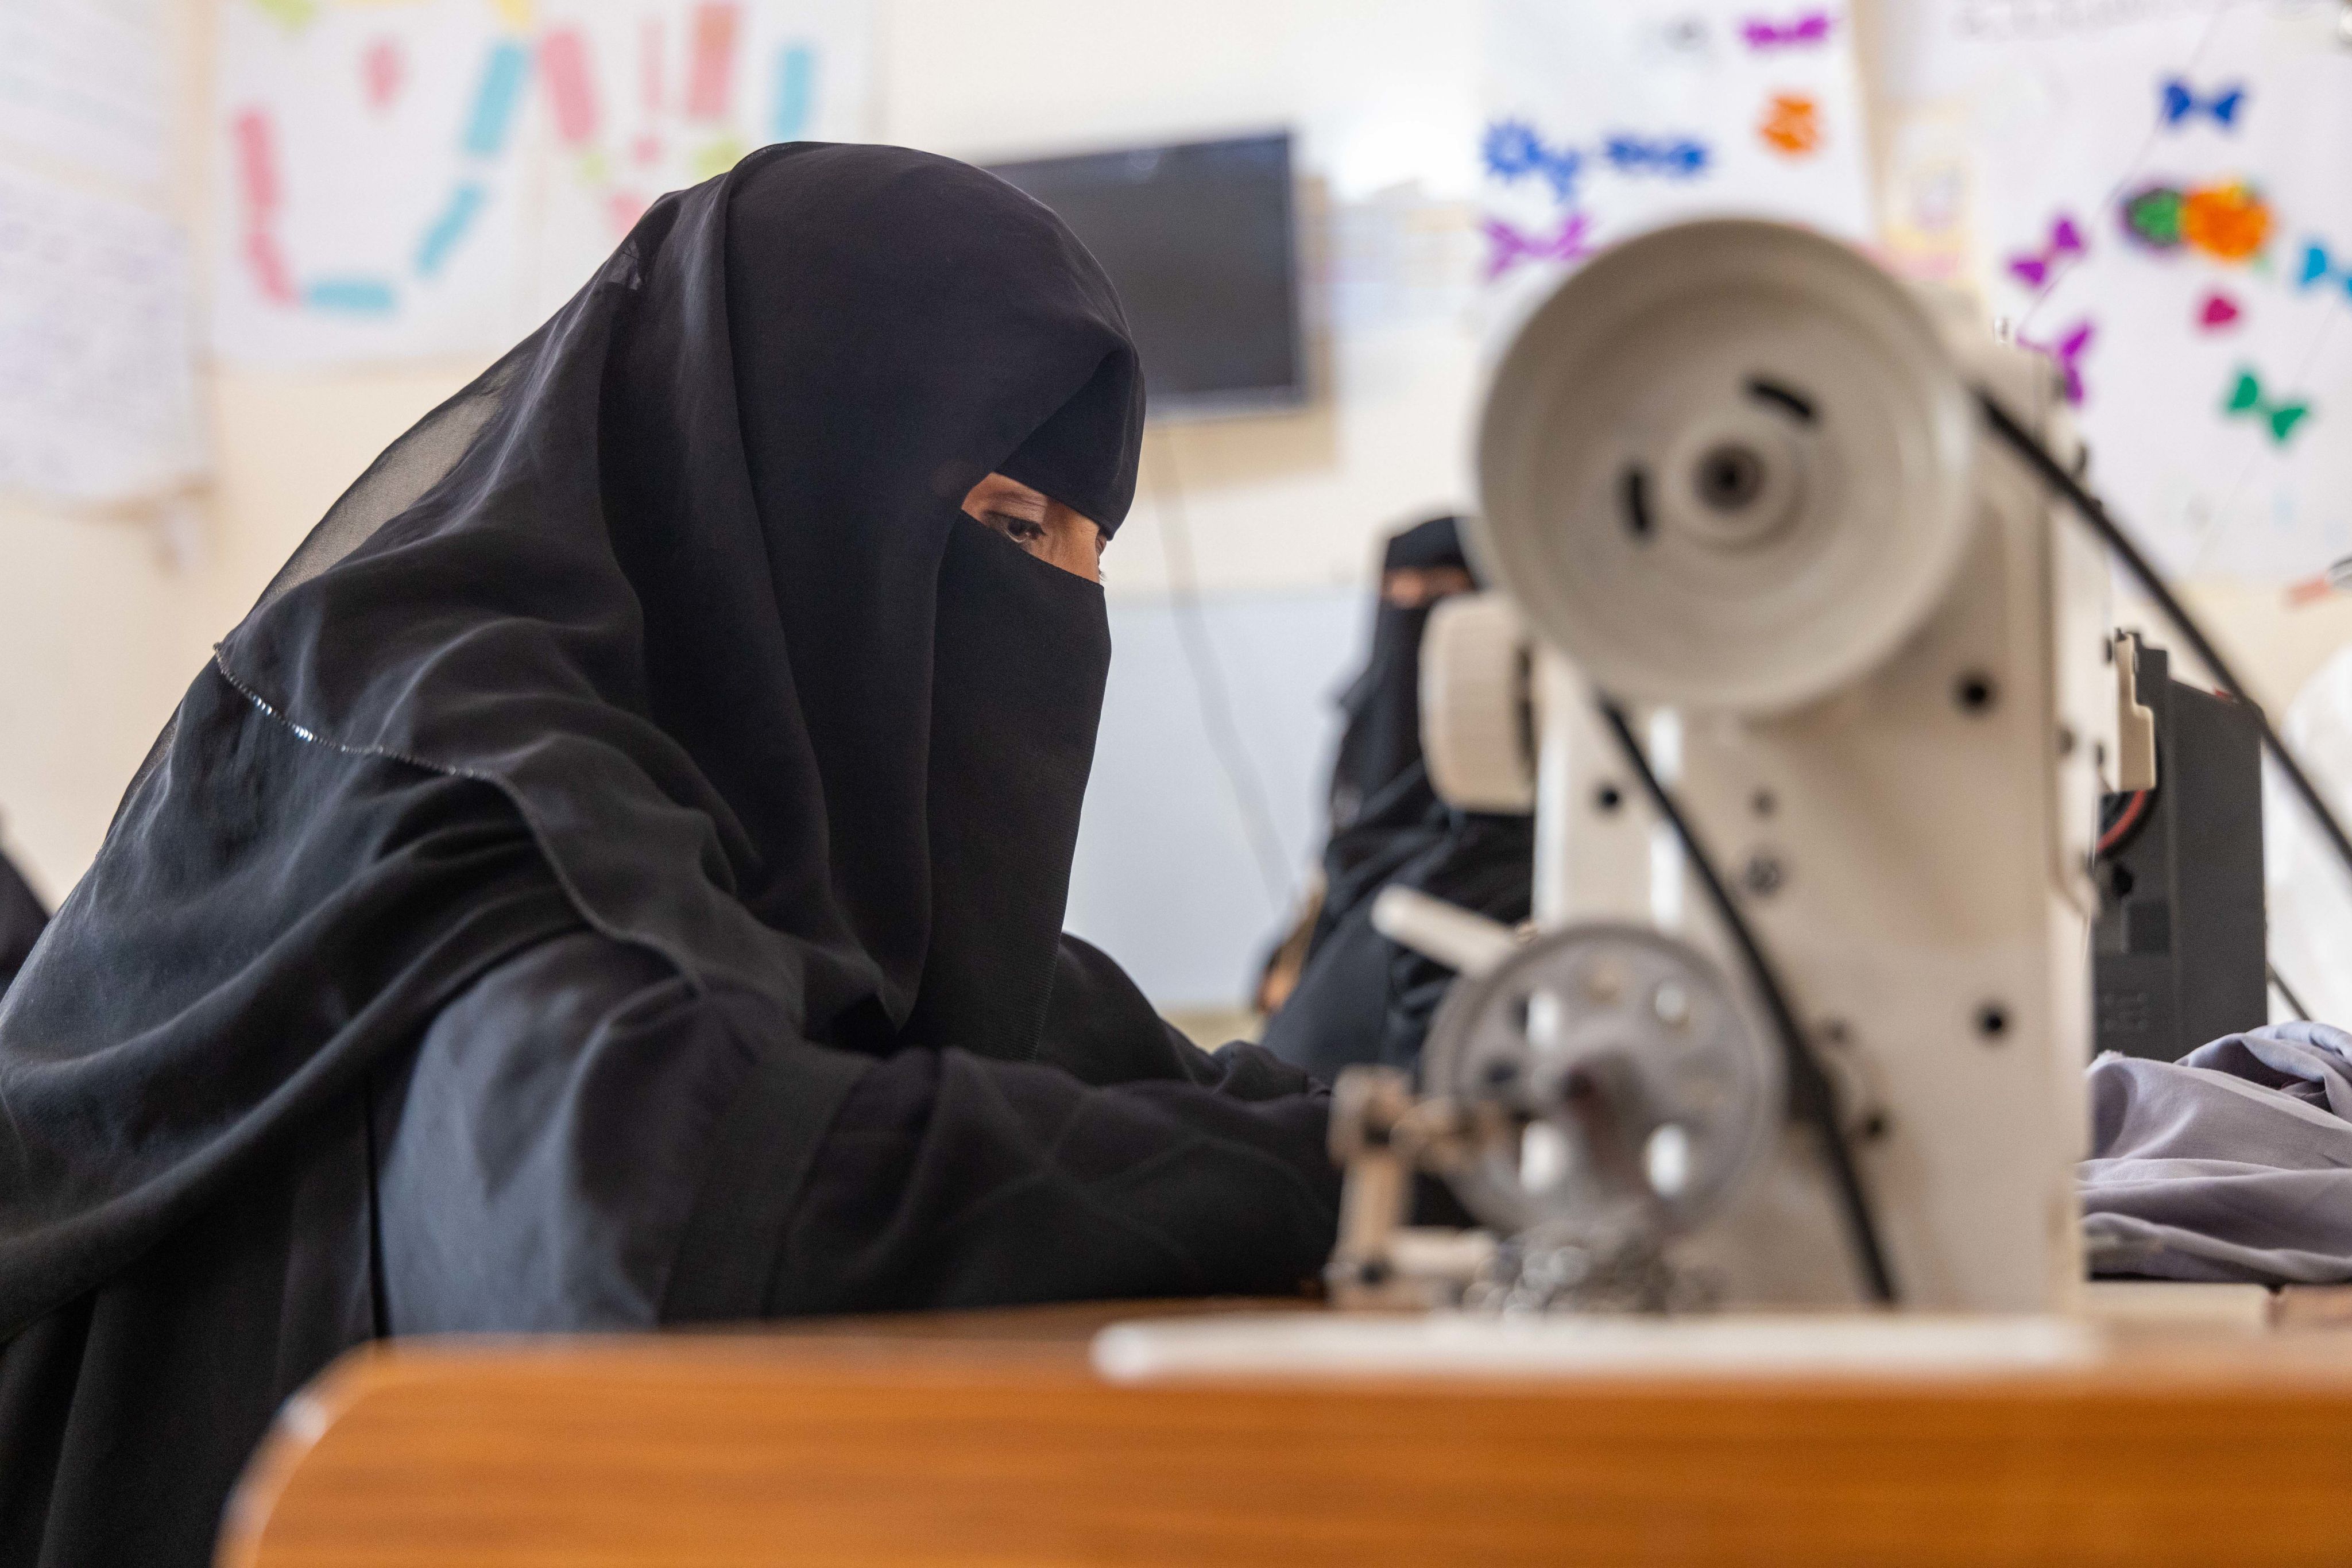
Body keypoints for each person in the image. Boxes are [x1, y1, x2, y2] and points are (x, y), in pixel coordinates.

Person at [0, 145, 1337, 1566]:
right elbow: (671, 1201)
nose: (1063, 604)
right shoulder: (460, 758)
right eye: (1012, 523)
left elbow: (1104, 1056)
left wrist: (1420, 1149)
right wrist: (1330, 1181)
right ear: (804, 479)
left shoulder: (772, 844)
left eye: (1089, 546)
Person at [1256, 515, 1534, 1078]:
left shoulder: (1516, 757)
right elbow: (1339, 850)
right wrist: (1288, 957)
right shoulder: (1362, 717)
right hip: (1343, 963)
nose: (1408, 610)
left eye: (1437, 594)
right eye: (1393, 593)